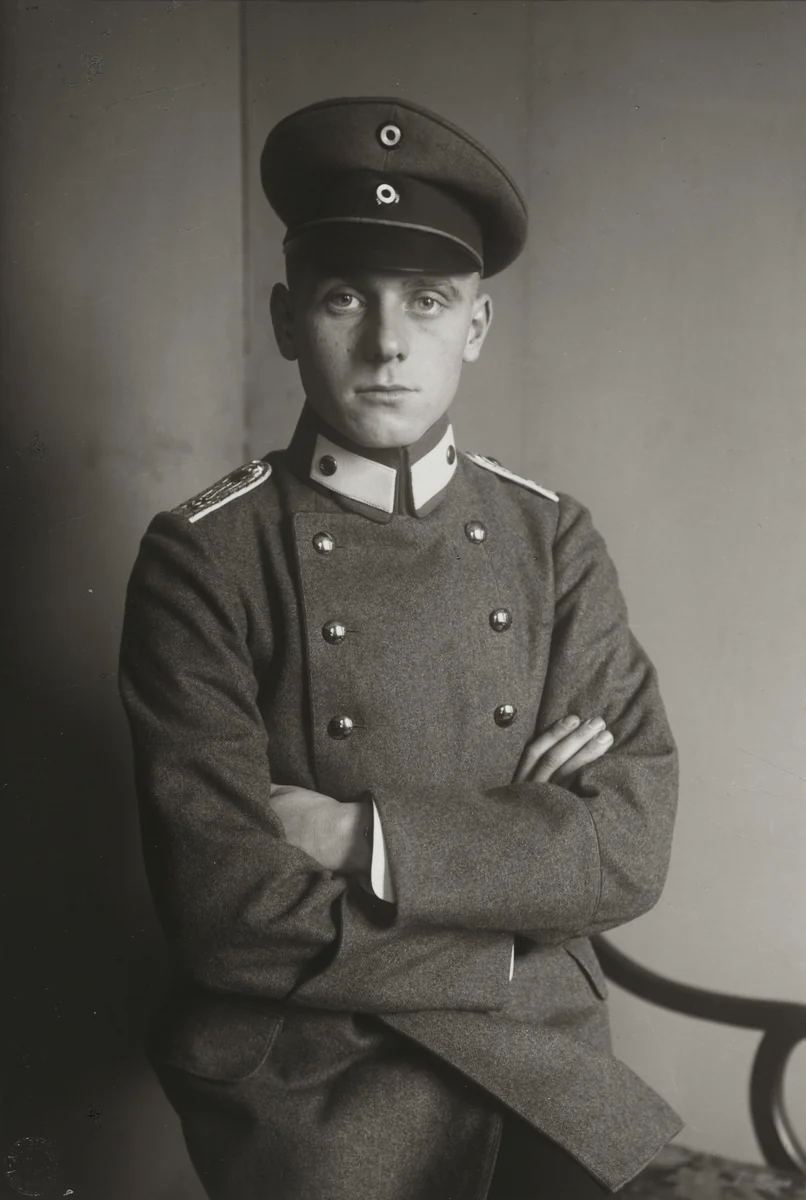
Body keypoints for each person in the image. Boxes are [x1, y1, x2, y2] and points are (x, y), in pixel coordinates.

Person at [119, 96, 682, 1200]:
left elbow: (625, 846)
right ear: (288, 320)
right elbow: (224, 912)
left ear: (472, 327)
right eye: (344, 299)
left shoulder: (550, 538)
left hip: (537, 1057)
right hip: (306, 1078)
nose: (386, 344)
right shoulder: (205, 557)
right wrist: (509, 910)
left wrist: (350, 834)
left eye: (426, 303)